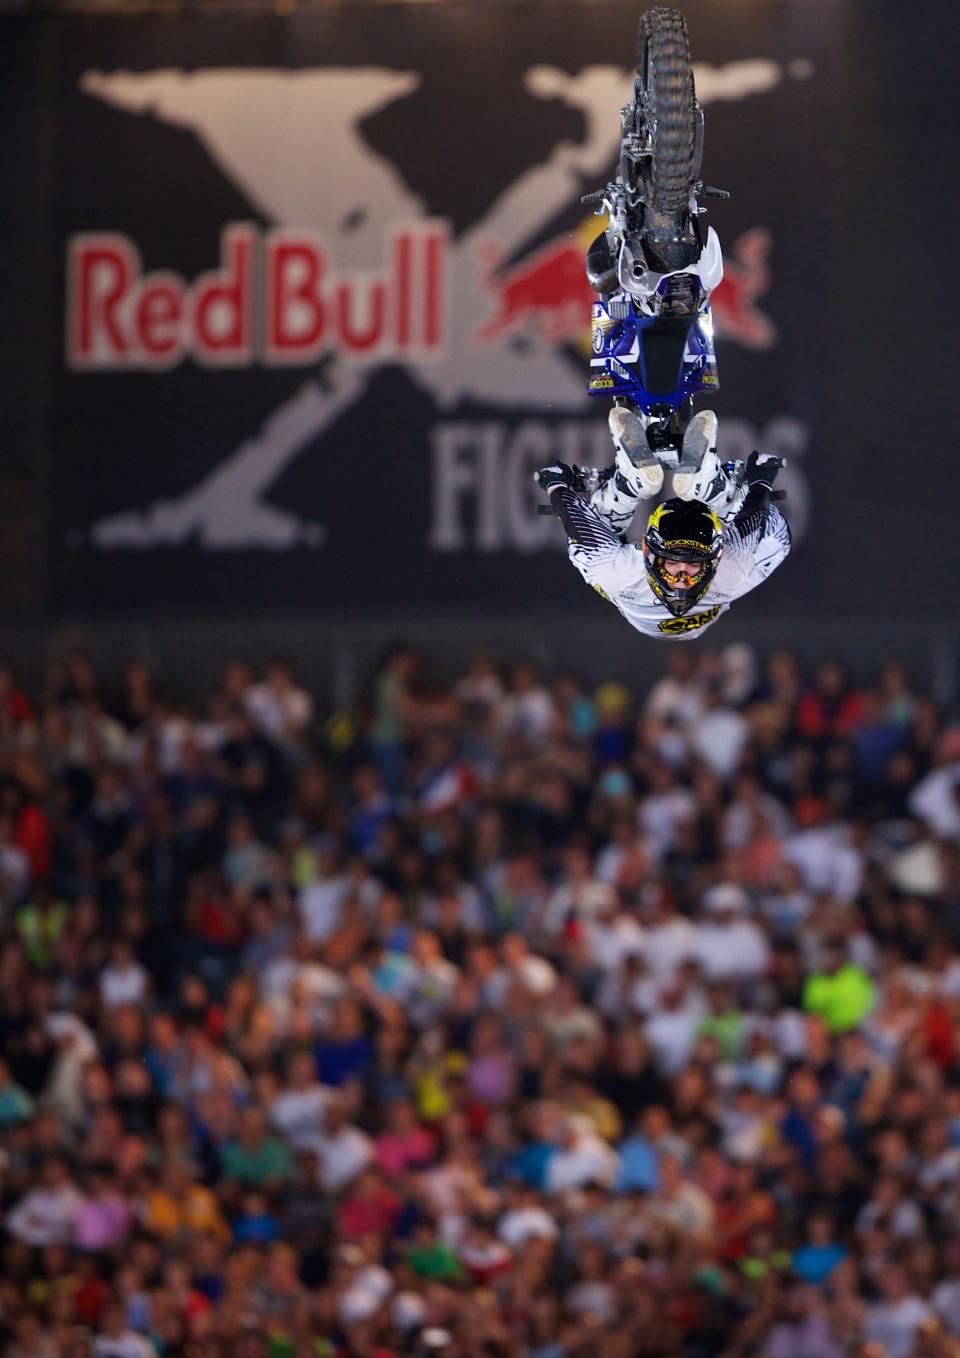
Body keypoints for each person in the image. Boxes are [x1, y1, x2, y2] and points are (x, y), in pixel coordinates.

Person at [535, 408, 790, 639]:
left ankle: (628, 487)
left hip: (626, 589)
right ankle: (715, 492)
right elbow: (755, 520)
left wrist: (557, 485)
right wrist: (760, 483)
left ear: (645, 549)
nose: (681, 577)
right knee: (778, 536)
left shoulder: (616, 572)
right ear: (716, 556)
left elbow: (578, 522)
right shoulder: (733, 572)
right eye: (675, 561)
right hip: (722, 585)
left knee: (592, 536)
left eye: (689, 563)